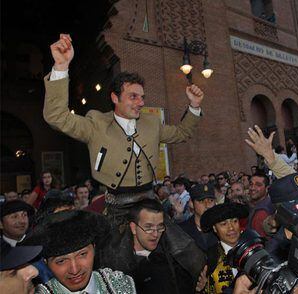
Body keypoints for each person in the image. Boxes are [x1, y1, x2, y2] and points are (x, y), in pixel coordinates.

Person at [44, 33, 205, 274]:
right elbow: (56, 117)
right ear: (114, 97)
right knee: (116, 265)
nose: (140, 102)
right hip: (116, 207)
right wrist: (60, 67)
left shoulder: (151, 124)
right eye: (133, 96)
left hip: (150, 202)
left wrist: (194, 106)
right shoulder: (96, 123)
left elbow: (182, 132)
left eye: (142, 97)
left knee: (191, 256)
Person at [22, 210, 137, 293]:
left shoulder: (120, 284)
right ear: (46, 263)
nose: (75, 270)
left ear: (94, 249)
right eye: (61, 261)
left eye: (82, 254)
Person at [124, 199, 206, 294]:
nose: (155, 234)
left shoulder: (173, 260)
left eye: (160, 227)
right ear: (133, 228)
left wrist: (198, 290)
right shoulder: (120, 267)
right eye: (148, 227)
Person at [201, 202, 249, 293]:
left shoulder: (251, 248)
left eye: (235, 221)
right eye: (224, 224)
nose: (231, 228)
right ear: (215, 229)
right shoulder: (209, 259)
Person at [179, 183, 218, 251]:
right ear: (191, 203)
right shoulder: (181, 230)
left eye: (211, 200)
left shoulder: (221, 227)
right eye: (201, 201)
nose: (207, 205)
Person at [246, 172, 275, 237]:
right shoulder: (268, 202)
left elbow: (261, 242)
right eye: (251, 184)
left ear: (267, 188)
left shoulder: (261, 213)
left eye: (258, 185)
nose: (252, 188)